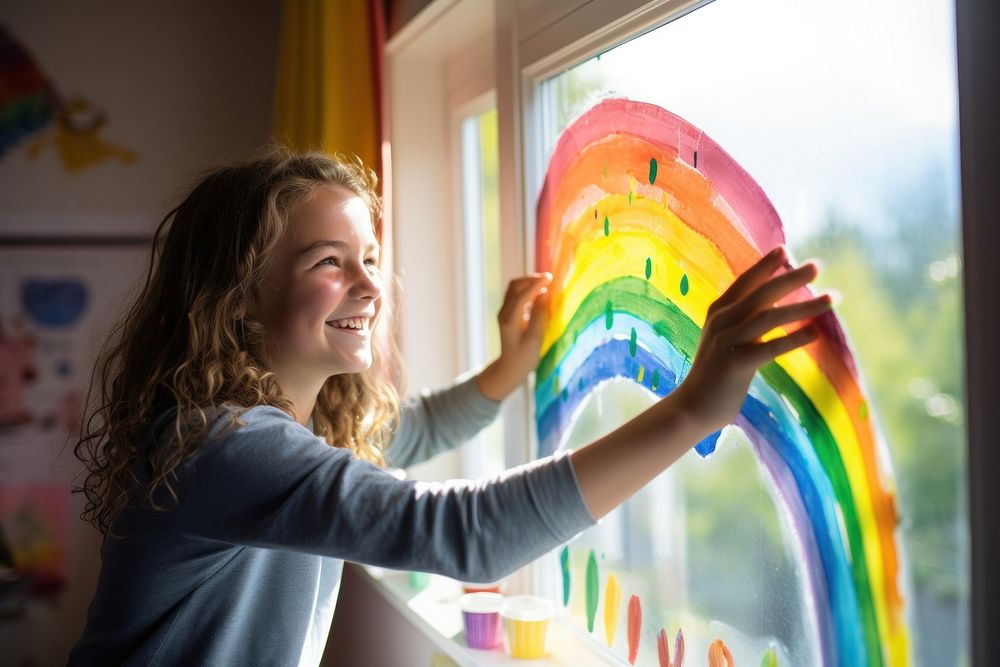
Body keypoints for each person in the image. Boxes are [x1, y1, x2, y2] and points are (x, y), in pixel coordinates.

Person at [68, 146, 831, 665]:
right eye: (328, 263)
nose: (369, 286)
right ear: (238, 300)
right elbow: (460, 532)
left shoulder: (300, 425)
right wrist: (694, 409)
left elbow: (416, 428)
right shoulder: (225, 445)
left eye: (368, 257)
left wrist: (506, 370)